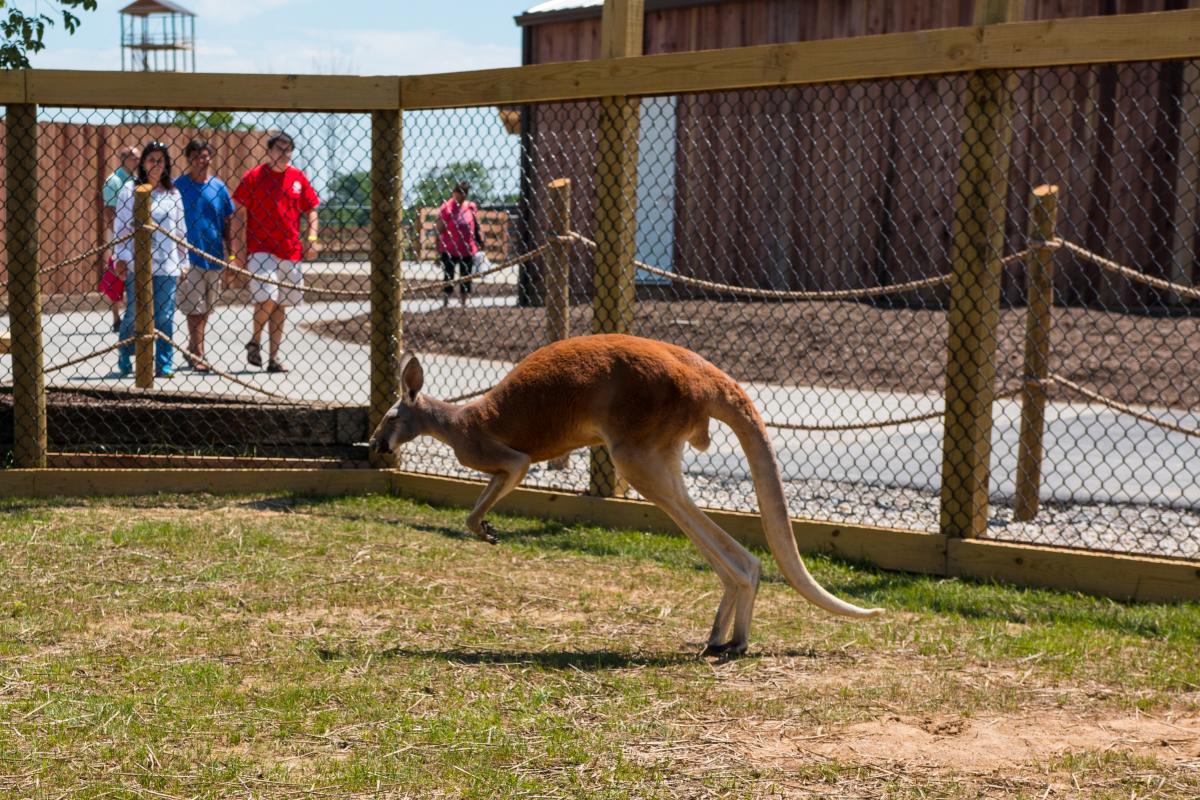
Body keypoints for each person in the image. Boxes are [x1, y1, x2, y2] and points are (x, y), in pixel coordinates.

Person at [232, 132, 319, 373]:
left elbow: (312, 209)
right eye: (279, 149)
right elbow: (238, 214)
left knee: (281, 304)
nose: (284, 154)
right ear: (269, 152)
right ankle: (255, 340)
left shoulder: (297, 178)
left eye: (288, 149)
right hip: (260, 249)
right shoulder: (254, 177)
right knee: (267, 296)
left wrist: (311, 238)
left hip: (290, 250)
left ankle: (273, 358)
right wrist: (236, 251)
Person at [112, 141, 188, 379]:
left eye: (160, 160)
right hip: (138, 263)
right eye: (151, 159)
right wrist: (121, 257)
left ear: (166, 165)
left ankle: (164, 363)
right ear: (143, 163)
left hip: (166, 264)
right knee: (135, 312)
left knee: (165, 314)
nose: (156, 164)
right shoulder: (129, 190)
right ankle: (125, 352)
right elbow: (121, 228)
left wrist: (183, 260)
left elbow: (180, 230)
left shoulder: (173, 192)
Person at [174, 138, 235, 373]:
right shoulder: (179, 186)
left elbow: (228, 222)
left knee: (207, 307)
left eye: (207, 156)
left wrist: (230, 256)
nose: (204, 160)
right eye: (198, 156)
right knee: (195, 307)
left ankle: (191, 346)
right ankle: (199, 353)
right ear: (189, 159)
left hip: (214, 255)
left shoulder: (219, 188)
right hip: (190, 257)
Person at [102, 144, 139, 332]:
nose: (137, 161)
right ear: (124, 159)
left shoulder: (136, 179)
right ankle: (116, 316)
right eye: (134, 158)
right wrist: (116, 239)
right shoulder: (114, 181)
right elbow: (109, 212)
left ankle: (131, 313)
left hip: (135, 234)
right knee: (115, 272)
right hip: (118, 234)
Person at [435, 180, 480, 308]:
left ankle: (464, 302)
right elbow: (439, 228)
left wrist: (479, 239)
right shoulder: (447, 207)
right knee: (448, 275)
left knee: (466, 275)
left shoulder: (471, 207)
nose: (461, 195)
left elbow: (476, 225)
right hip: (449, 248)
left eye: (464, 193)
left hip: (467, 248)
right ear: (454, 193)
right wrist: (437, 249)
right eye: (459, 192)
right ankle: (445, 301)